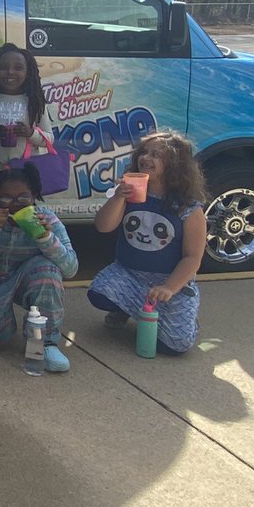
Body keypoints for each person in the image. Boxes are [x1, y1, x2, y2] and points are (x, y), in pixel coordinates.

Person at [87, 130, 208, 355]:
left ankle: (187, 321)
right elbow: (103, 226)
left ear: (175, 165)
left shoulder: (189, 207)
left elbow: (192, 257)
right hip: (129, 273)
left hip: (169, 281)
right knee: (98, 292)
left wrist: (170, 287)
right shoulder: (127, 193)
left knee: (174, 347)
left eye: (156, 155)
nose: (146, 158)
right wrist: (119, 197)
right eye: (144, 152)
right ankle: (128, 309)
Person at [0, 165, 78, 372]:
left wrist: (46, 237)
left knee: (47, 269)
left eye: (23, 198)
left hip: (27, 278)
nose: (14, 206)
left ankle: (46, 343)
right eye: (5, 199)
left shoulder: (46, 218)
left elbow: (71, 269)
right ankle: (2, 318)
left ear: (34, 196)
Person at [0, 42, 52, 175]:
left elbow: (49, 139)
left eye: (18, 68)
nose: (10, 72)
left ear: (28, 72)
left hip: (26, 173)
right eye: (3, 67)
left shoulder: (34, 101)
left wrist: (30, 133)